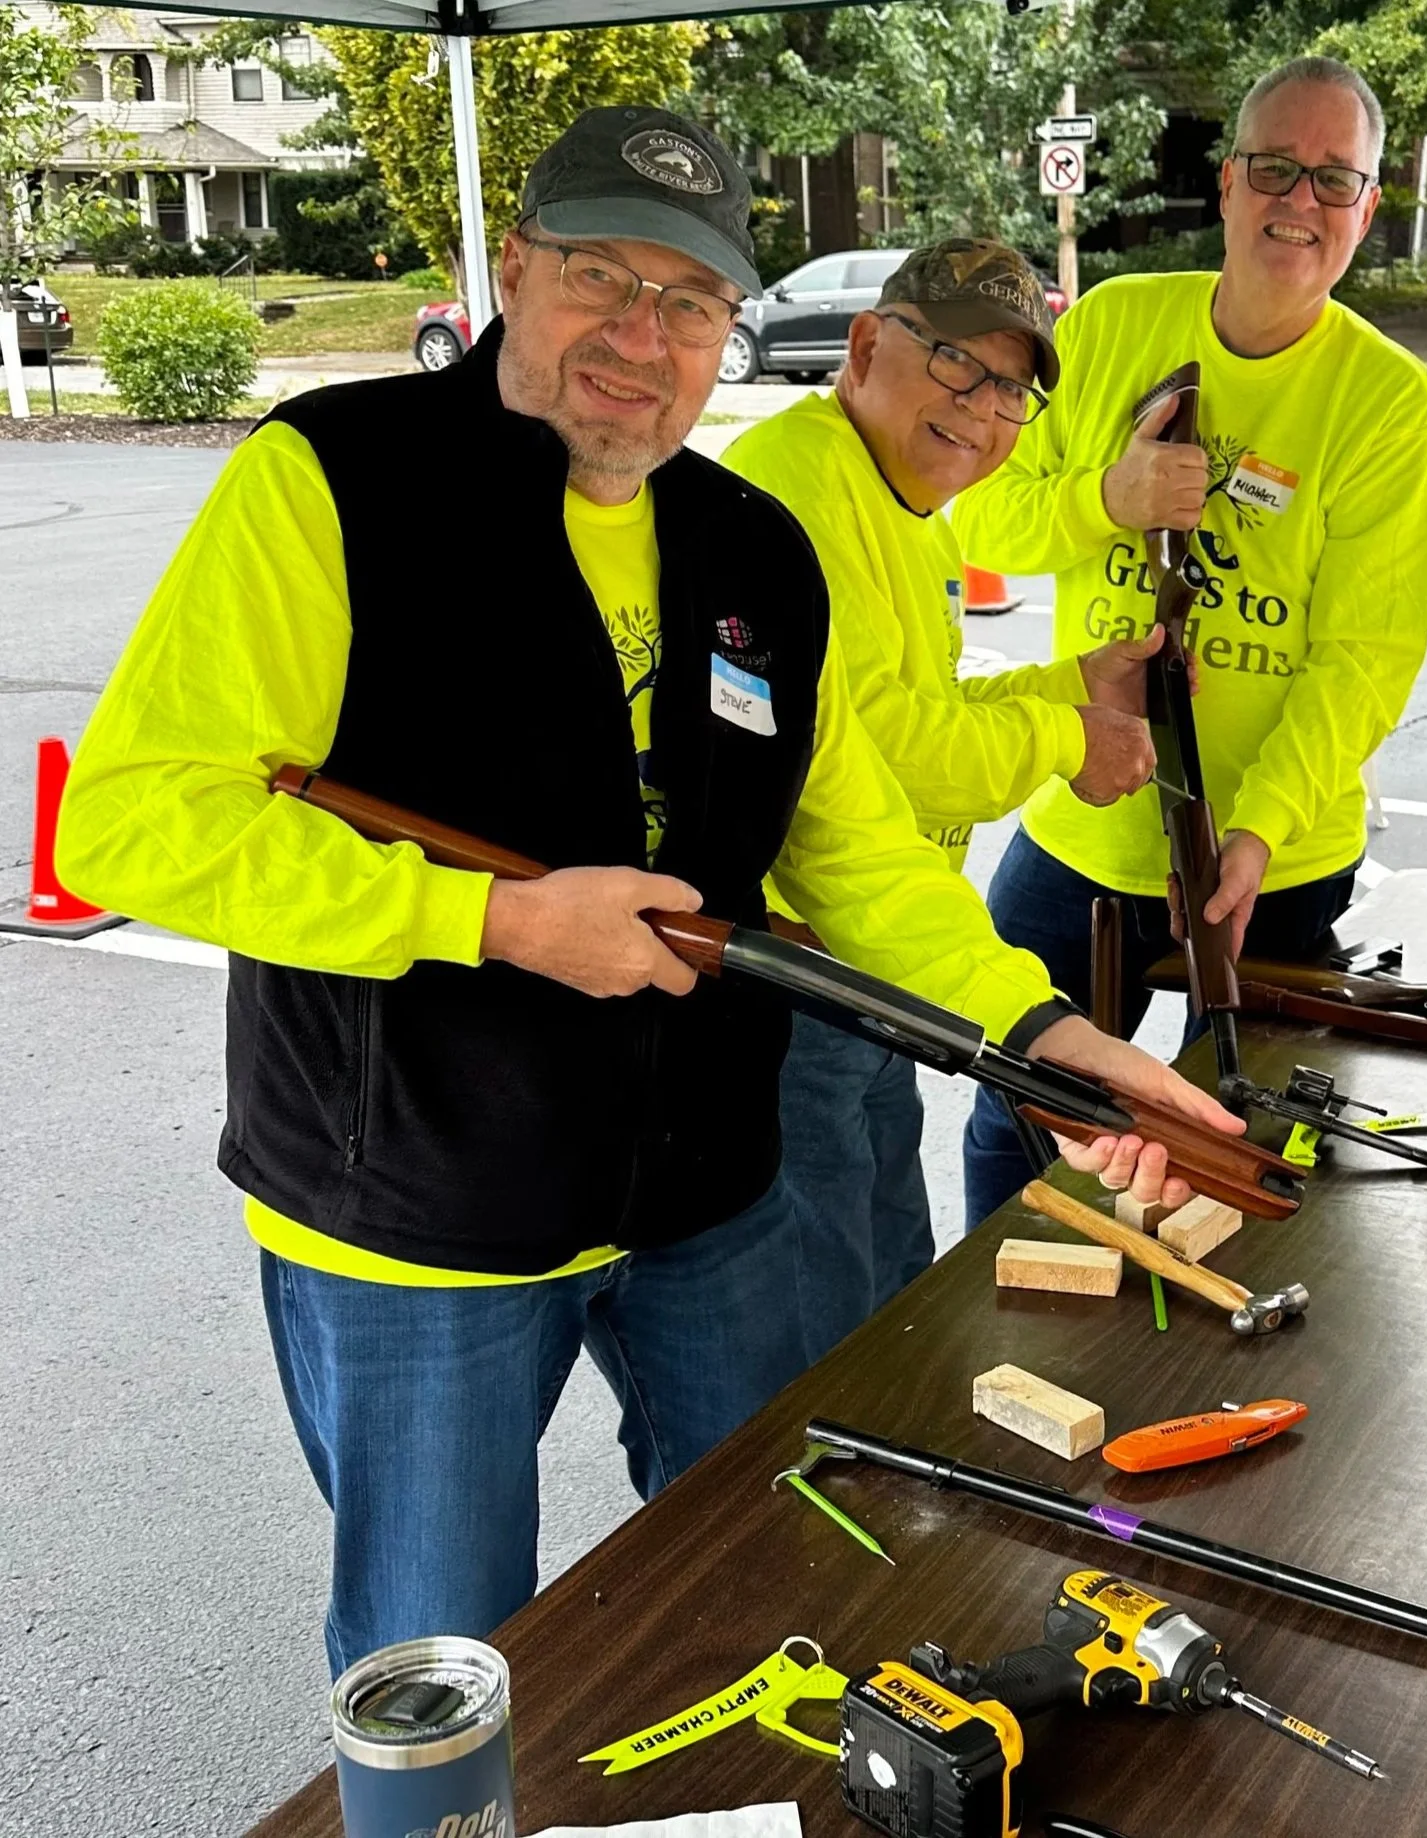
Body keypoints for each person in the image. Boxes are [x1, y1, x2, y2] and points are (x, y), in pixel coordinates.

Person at [56, 106, 1237, 1675]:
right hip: (421, 1205)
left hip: (703, 1187)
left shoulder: (752, 541)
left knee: (766, 1569)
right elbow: (134, 823)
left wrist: (1035, 1034)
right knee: (443, 1656)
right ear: (514, 268)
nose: (641, 335)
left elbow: (851, 850)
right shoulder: (335, 479)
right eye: (600, 276)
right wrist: (487, 919)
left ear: (729, 331)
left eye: (689, 302)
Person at [952, 55, 1427, 1227]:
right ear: (1228, 183)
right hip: (1081, 830)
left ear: (1369, 210)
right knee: (1016, 1118)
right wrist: (1107, 500)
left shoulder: (1388, 402)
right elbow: (976, 506)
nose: (1300, 202)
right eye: (1274, 166)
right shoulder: (1119, 322)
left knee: (1248, 1159)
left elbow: (1364, 657)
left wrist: (1258, 825)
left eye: (1336, 180)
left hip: (1273, 857)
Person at [719, 241, 1168, 1359]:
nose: (985, 410)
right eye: (959, 365)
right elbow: (898, 758)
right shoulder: (801, 490)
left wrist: (1076, 678)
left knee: (889, 1276)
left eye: (1013, 389)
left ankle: (893, 1464)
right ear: (867, 345)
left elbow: (915, 701)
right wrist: (1069, 736)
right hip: (801, 968)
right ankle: (822, 1506)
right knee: (826, 1317)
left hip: (880, 956)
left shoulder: (892, 493)